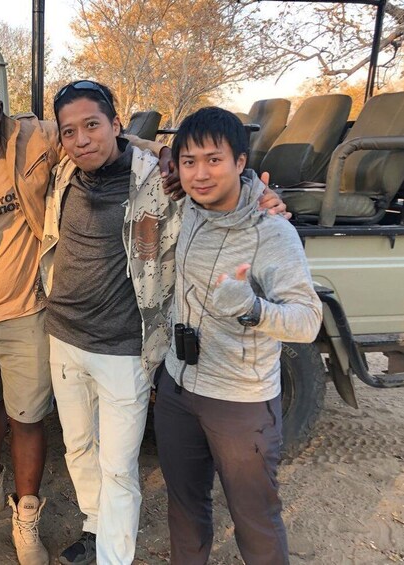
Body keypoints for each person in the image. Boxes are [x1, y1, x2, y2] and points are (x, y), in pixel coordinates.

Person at [40, 84, 288, 565]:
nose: (82, 139)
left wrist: (262, 192)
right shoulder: (63, 172)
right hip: (63, 337)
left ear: (117, 126)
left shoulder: (161, 178)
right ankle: (95, 527)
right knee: (77, 448)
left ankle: (114, 557)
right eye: (69, 131)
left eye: (93, 125)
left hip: (124, 346)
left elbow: (217, 181)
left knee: (117, 466)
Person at [0, 64, 170, 565]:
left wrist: (167, 152)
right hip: (30, 327)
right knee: (67, 442)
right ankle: (79, 523)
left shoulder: (143, 176)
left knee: (94, 452)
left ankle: (75, 537)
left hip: (83, 331)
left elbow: (107, 136)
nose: (81, 138)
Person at [154, 106, 322, 564]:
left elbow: (308, 321)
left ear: (241, 163)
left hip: (240, 401)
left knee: (255, 521)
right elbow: (121, 141)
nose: (201, 173)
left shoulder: (272, 232)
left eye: (214, 160)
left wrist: (250, 308)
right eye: (189, 162)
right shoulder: (188, 206)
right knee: (185, 509)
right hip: (178, 386)